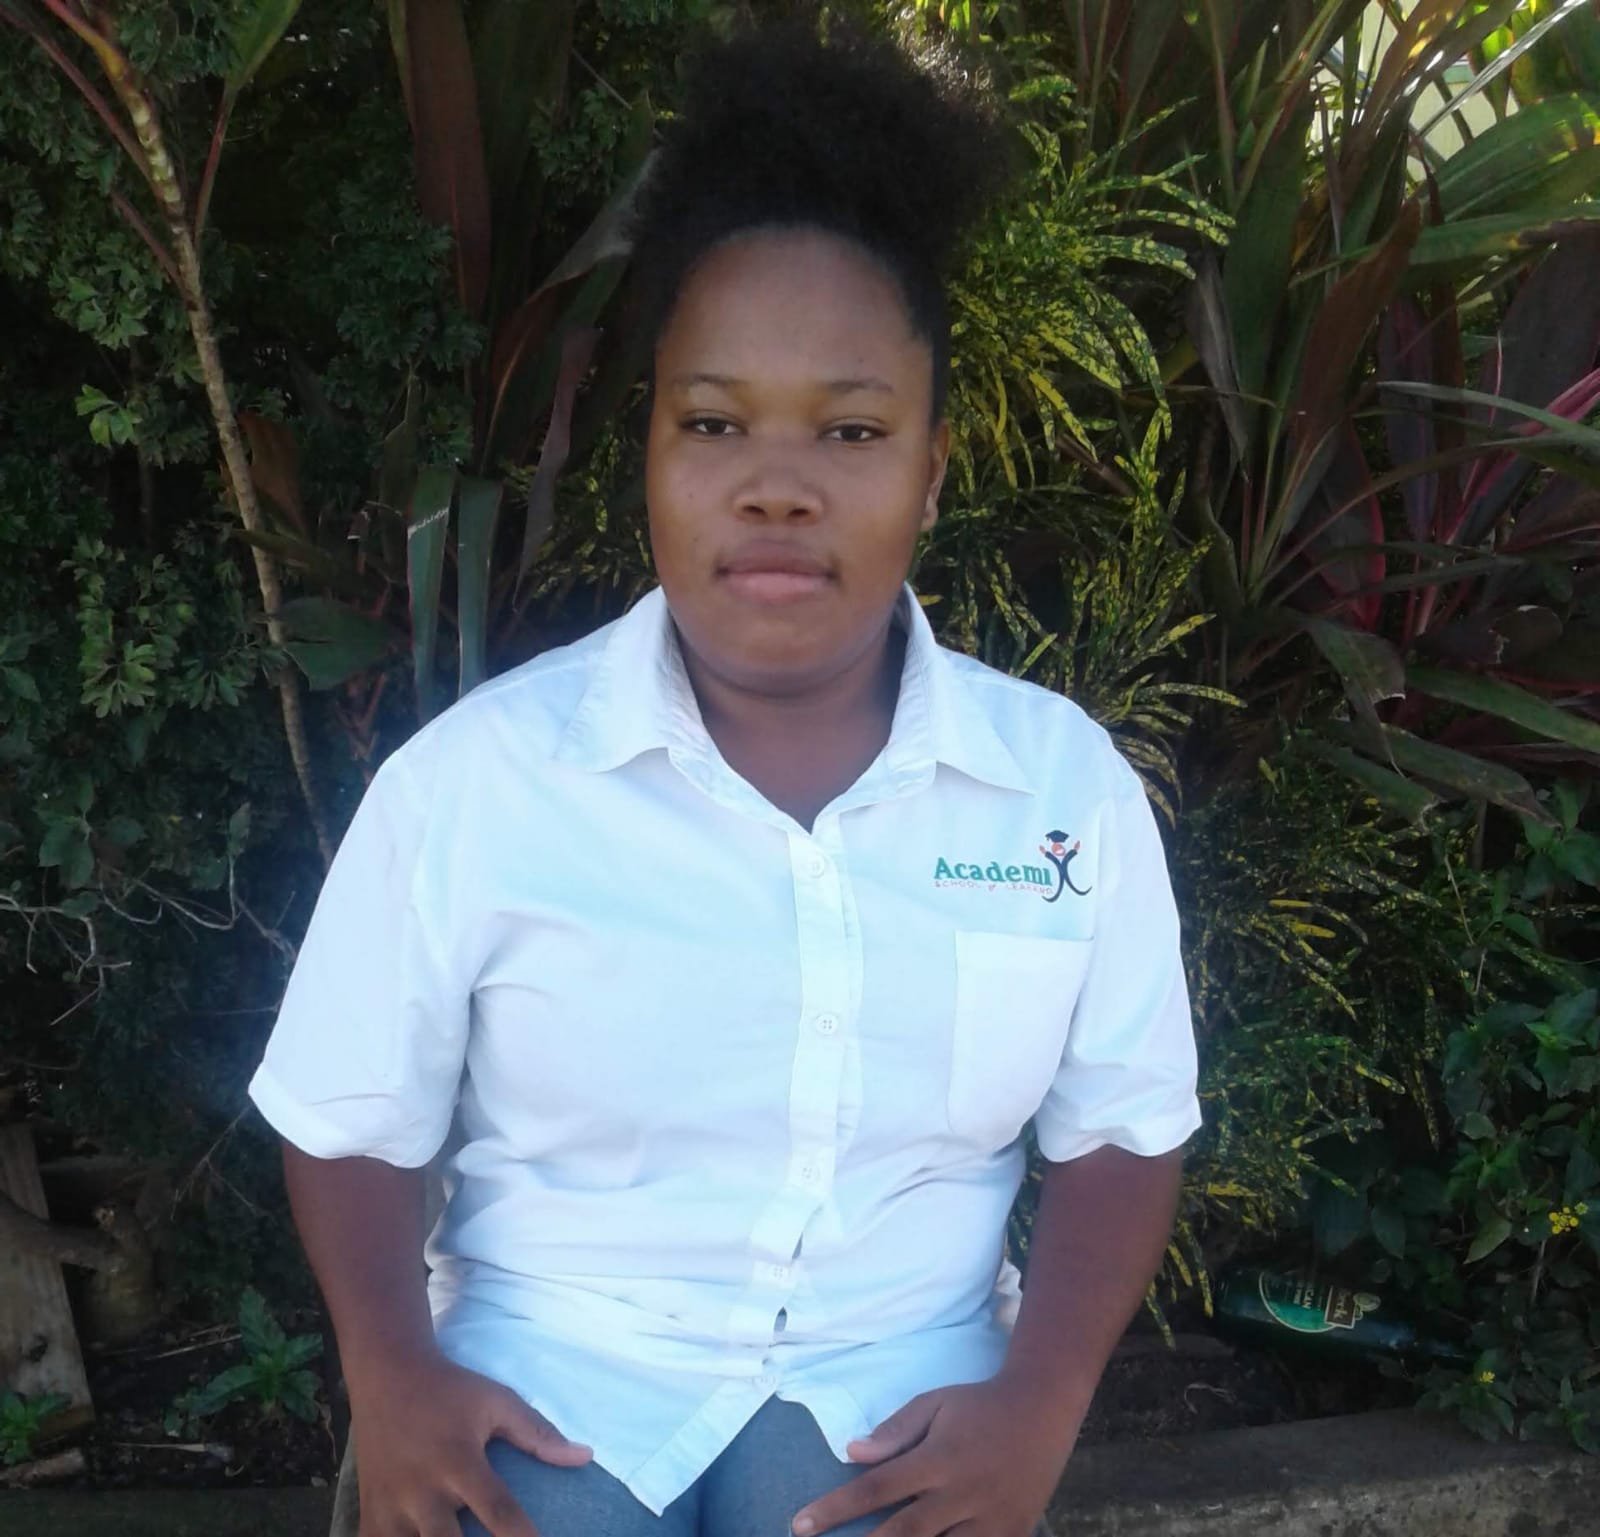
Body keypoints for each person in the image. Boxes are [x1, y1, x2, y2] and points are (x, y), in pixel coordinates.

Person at [247, 20, 1200, 1537]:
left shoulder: (1059, 796)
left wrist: (1037, 1408)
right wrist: (393, 1374)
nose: (777, 480)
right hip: (552, 1363)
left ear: (934, 466)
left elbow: (1124, 1129)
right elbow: (347, 1109)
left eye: (850, 427)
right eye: (713, 422)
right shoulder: (486, 785)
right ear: (648, 453)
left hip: (901, 1385)